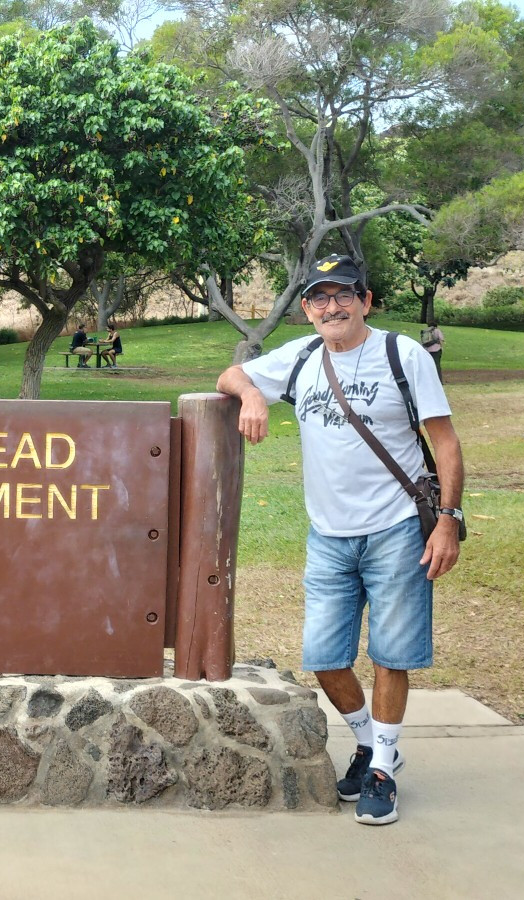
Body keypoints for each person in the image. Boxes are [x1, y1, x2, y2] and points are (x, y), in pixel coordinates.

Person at [214, 254, 465, 827]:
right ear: (307, 309)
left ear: (366, 301)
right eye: (319, 298)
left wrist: (446, 520)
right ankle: (374, 744)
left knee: (391, 654)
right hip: (327, 535)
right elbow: (232, 375)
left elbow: (445, 443)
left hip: (398, 529)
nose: (332, 307)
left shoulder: (404, 356)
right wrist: (253, 397)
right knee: (325, 658)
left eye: (343, 295)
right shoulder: (302, 357)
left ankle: (380, 769)